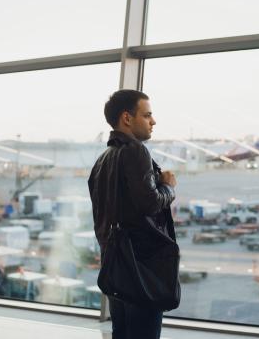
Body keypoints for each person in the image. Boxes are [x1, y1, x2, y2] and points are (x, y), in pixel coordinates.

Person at [88, 89, 177, 339]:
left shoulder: (103, 159)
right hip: (141, 267)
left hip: (116, 264)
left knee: (122, 333)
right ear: (127, 118)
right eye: (147, 115)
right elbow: (150, 203)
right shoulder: (136, 151)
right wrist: (168, 186)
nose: (153, 121)